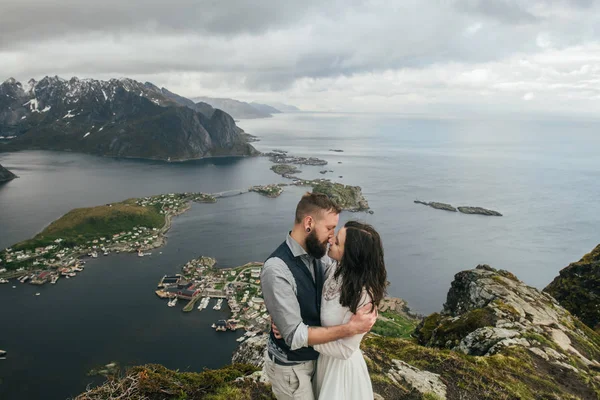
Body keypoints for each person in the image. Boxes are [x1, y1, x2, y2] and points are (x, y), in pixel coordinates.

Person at [261, 193, 378, 400]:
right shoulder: (276, 269)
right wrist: (350, 328)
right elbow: (294, 335)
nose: (331, 237)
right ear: (308, 223)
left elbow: (353, 267)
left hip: (320, 361)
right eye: (329, 228)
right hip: (292, 368)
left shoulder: (320, 255)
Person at [313, 221, 387, 400]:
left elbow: (345, 350)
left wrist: (301, 336)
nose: (331, 241)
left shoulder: (364, 298)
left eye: (337, 242)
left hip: (340, 372)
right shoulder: (337, 268)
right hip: (323, 361)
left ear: (352, 255)